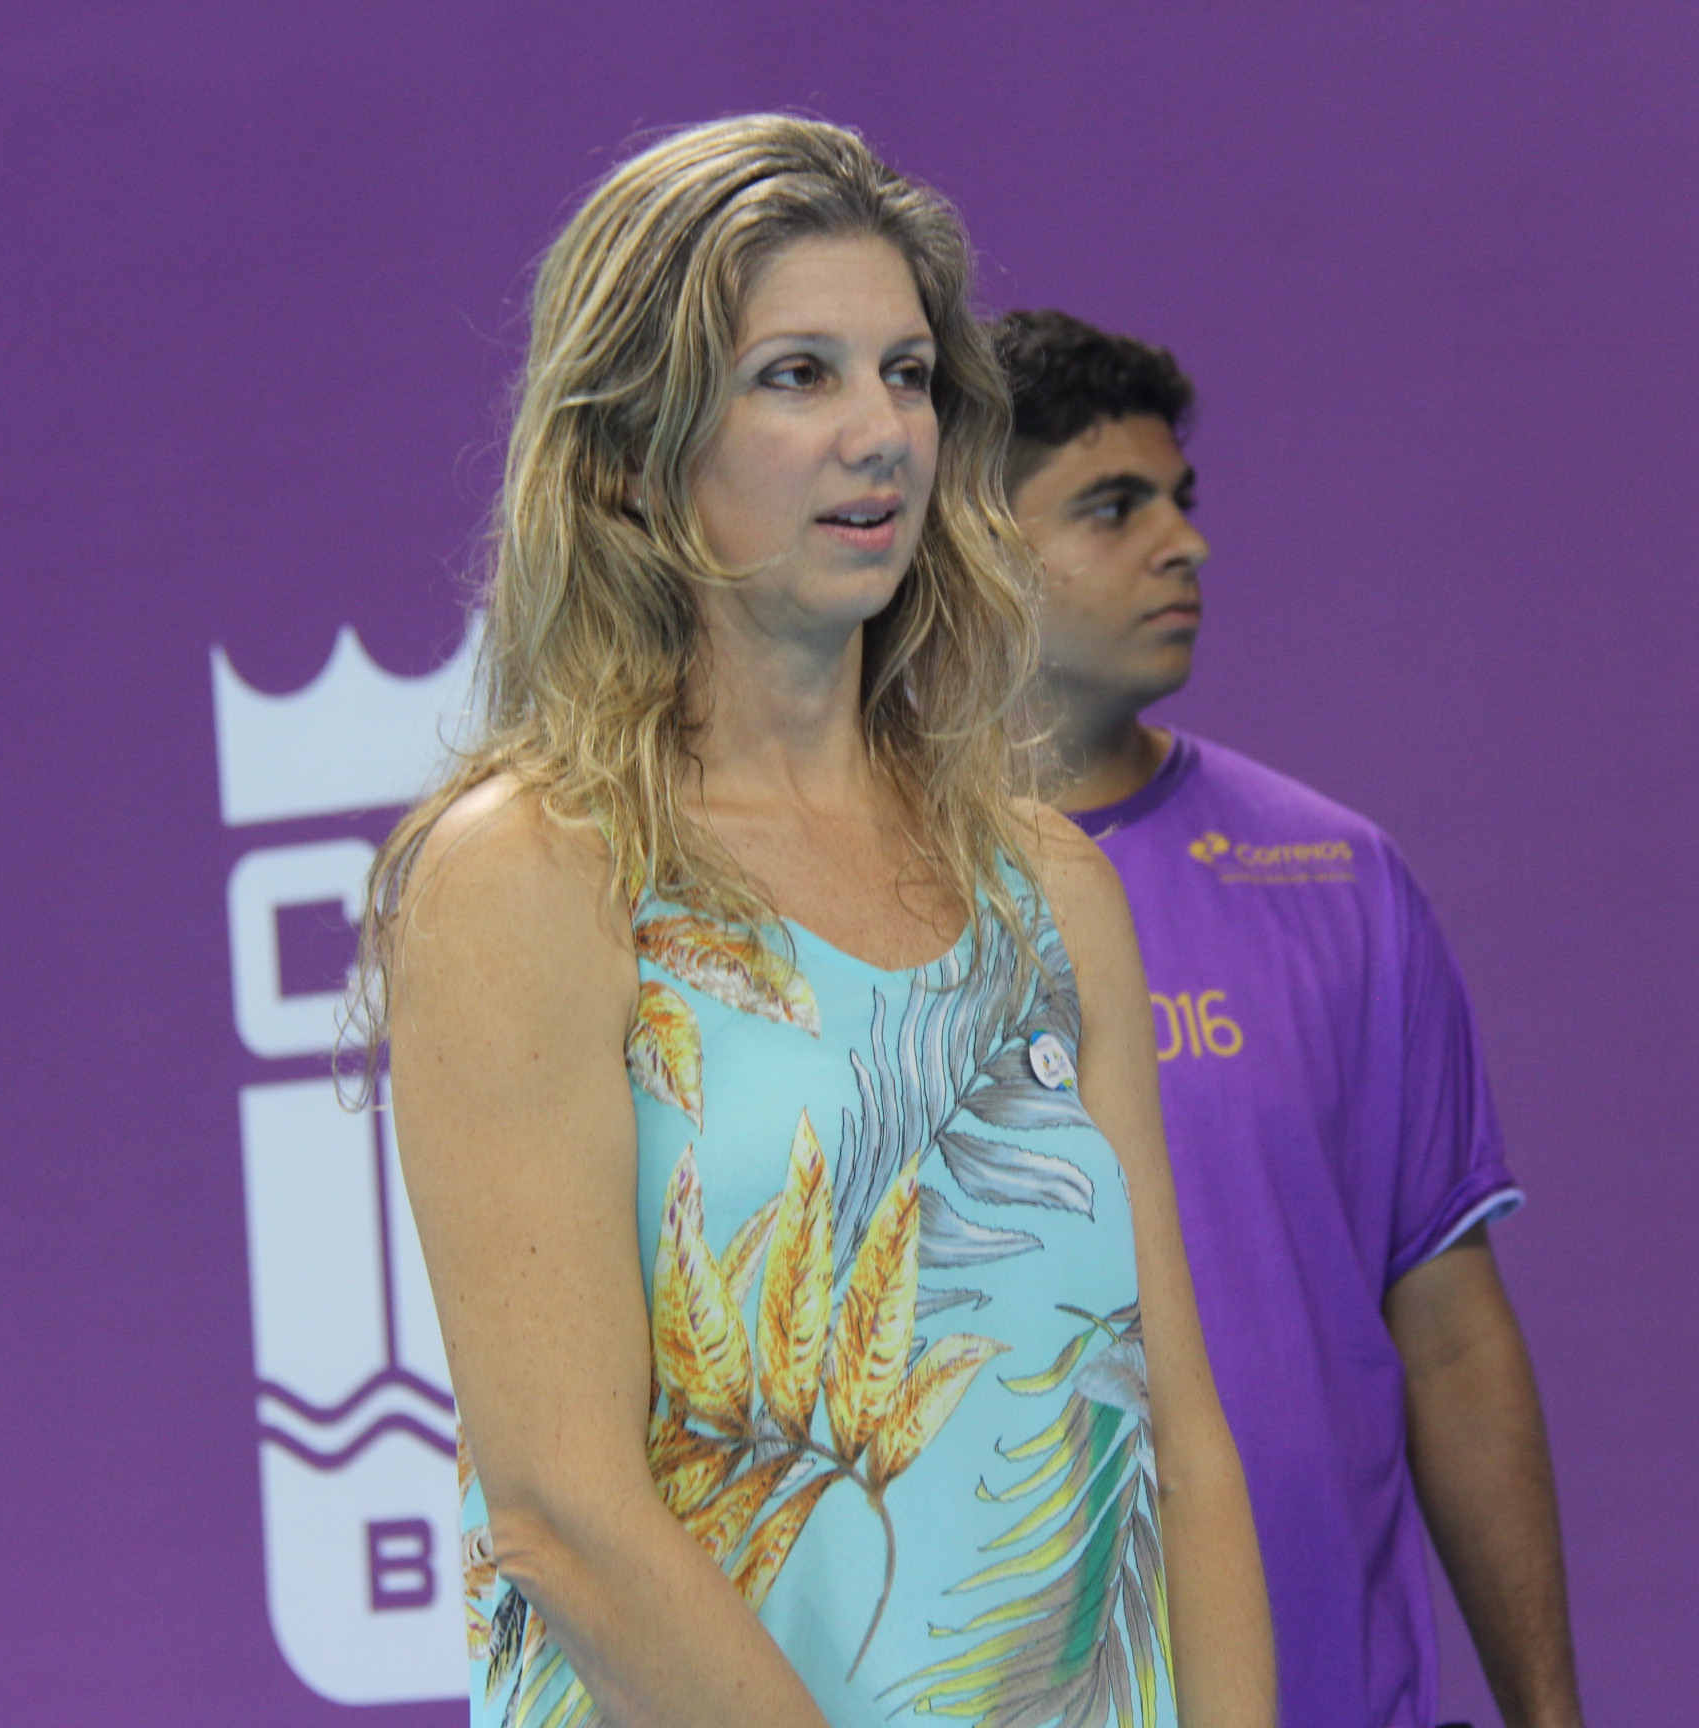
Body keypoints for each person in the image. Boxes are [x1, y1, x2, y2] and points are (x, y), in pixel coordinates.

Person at [358, 123, 1276, 1728]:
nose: (881, 434)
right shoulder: (531, 875)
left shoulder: (1048, 886)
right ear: (628, 455)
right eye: (798, 375)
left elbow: (1180, 1447)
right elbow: (561, 1516)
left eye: (907, 376)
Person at [994, 309, 1584, 1728]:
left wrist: (1550, 1717)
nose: (1185, 543)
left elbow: (1451, 1337)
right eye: (1112, 508)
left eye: (1180, 499)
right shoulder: (845, 902)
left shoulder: (1336, 876)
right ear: (967, 544)